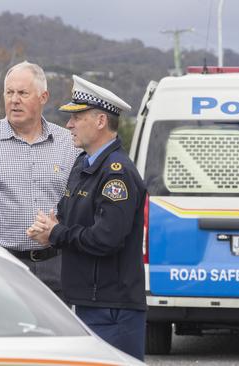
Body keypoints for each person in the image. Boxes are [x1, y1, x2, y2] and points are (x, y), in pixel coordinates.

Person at [27, 75, 147, 361]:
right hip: (89, 302)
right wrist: (49, 228)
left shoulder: (117, 173)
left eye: (77, 117)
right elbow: (67, 217)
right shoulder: (83, 164)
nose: (69, 124)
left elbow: (106, 238)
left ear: (100, 121)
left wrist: (55, 234)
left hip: (112, 308)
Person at [0, 61, 78, 295]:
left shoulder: (69, 144)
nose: (14, 100)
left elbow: (80, 206)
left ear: (43, 97)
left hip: (56, 268)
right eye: (9, 92)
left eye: (23, 93)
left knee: (55, 332)